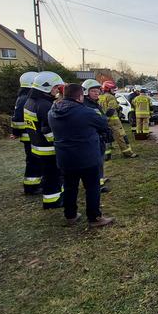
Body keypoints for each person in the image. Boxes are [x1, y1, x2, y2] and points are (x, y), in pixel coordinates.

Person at [48, 83, 114, 228]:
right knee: (92, 187)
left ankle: (70, 215)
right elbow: (103, 124)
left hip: (64, 157)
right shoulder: (86, 112)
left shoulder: (52, 111)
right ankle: (94, 218)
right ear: (79, 96)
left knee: (70, 187)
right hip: (86, 157)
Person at [24, 71, 64, 209]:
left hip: (37, 146)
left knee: (48, 175)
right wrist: (62, 141)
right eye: (55, 87)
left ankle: (53, 197)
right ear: (46, 88)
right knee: (53, 176)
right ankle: (52, 201)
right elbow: (49, 130)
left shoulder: (30, 101)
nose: (57, 90)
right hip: (48, 149)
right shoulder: (44, 105)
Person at [11, 71, 41, 195]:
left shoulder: (23, 97)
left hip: (29, 135)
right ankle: (31, 187)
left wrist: (17, 132)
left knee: (34, 161)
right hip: (30, 136)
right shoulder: (25, 99)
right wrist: (17, 132)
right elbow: (17, 118)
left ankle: (34, 185)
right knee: (33, 161)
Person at [82, 79, 112, 193]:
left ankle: (100, 180)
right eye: (93, 91)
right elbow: (96, 121)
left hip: (98, 137)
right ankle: (97, 185)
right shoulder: (87, 105)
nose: (97, 93)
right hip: (93, 138)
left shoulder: (94, 103)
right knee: (95, 162)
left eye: (98, 91)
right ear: (86, 92)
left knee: (99, 161)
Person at [98, 80, 137, 158]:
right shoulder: (111, 97)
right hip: (114, 121)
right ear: (108, 89)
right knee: (122, 137)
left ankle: (106, 155)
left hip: (103, 121)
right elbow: (111, 109)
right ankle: (128, 153)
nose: (114, 91)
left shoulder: (100, 97)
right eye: (112, 89)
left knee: (106, 138)